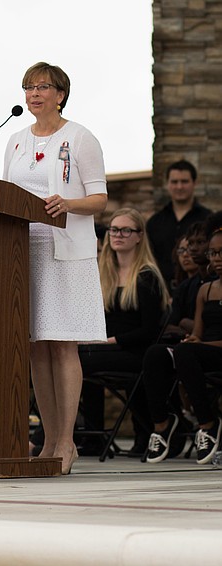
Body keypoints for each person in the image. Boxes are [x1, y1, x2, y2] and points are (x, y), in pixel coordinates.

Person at [3, 62, 108, 475]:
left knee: (62, 343)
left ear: (61, 93)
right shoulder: (14, 141)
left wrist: (67, 203)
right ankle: (47, 439)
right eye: (28, 87)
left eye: (42, 86)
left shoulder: (80, 137)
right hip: (20, 252)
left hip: (65, 250)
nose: (33, 94)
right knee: (36, 345)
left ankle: (67, 442)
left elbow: (99, 199)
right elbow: (6, 194)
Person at [77, 208, 168, 457]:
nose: (118, 235)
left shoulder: (147, 276)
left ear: (139, 236)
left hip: (135, 351)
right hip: (106, 347)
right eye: (114, 230)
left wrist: (114, 340)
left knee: (81, 363)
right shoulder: (102, 273)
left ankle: (54, 437)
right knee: (75, 359)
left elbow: (150, 330)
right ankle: (92, 436)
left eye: (126, 230)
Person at [143, 213, 222, 464]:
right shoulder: (205, 289)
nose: (217, 258)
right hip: (202, 352)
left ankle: (208, 424)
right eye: (213, 253)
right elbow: (197, 333)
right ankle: (163, 425)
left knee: (187, 352)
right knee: (156, 353)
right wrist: (193, 340)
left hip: (213, 351)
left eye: (221, 252)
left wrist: (197, 346)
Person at [146, 160, 212, 290]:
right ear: (167, 184)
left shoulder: (208, 219)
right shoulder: (155, 222)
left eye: (184, 181)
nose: (179, 187)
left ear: (194, 183)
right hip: (161, 292)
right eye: (174, 182)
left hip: (200, 290)